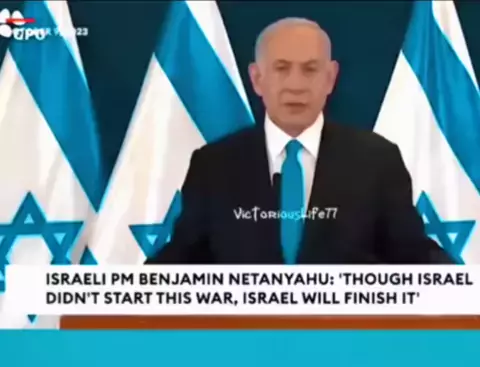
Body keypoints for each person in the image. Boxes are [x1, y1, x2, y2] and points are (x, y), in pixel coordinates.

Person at [146, 18, 453, 264]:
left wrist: (465, 287)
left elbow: (414, 256)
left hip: (345, 324)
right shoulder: (214, 164)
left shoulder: (377, 160)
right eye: (282, 69)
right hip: (245, 325)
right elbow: (182, 261)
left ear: (330, 78)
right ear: (257, 79)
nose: (296, 85)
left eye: (310, 69)